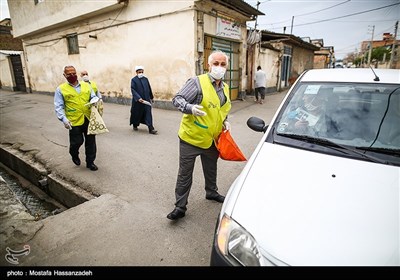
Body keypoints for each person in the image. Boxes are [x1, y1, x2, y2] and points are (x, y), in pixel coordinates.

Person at [167, 50, 232, 220]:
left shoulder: (224, 87)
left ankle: (211, 192)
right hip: (191, 138)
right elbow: (178, 99)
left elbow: (221, 109)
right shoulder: (197, 82)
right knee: (185, 174)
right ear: (208, 65)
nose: (219, 67)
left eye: (223, 64)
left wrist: (225, 120)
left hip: (212, 139)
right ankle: (180, 207)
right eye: (216, 64)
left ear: (227, 66)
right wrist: (190, 108)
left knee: (211, 169)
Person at [54, 65, 99, 171]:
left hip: (88, 118)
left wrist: (94, 100)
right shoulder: (61, 89)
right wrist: (64, 119)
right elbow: (58, 106)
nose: (72, 75)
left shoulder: (87, 85)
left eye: (74, 73)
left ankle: (90, 162)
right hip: (73, 120)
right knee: (77, 142)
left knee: (91, 142)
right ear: (64, 75)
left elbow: (93, 96)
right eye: (69, 74)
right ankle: (74, 153)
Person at [130, 66, 157, 134]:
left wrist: (151, 97)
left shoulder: (146, 79)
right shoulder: (134, 80)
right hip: (138, 101)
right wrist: (138, 98)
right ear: (136, 72)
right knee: (137, 113)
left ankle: (151, 128)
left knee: (148, 113)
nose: (141, 73)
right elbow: (133, 90)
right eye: (139, 72)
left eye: (142, 72)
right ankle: (135, 124)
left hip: (146, 100)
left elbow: (149, 88)